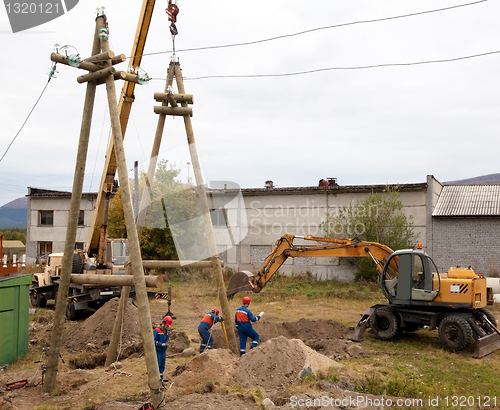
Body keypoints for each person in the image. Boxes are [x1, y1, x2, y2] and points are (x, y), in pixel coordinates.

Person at [153, 315, 172, 380]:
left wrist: (167, 343)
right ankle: (155, 379)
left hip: (163, 350)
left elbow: (167, 337)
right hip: (158, 350)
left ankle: (160, 378)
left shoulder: (166, 331)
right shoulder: (157, 330)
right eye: (167, 325)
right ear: (164, 323)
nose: (167, 327)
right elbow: (153, 341)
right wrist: (161, 344)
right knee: (157, 363)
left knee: (162, 363)